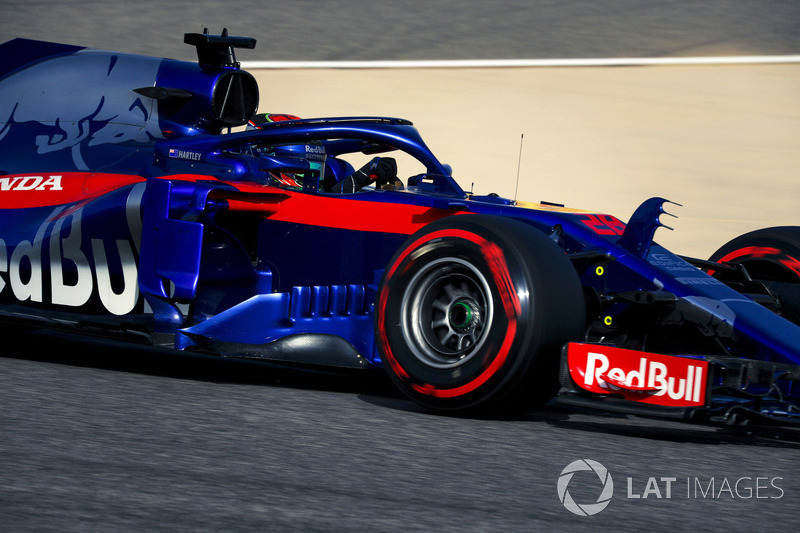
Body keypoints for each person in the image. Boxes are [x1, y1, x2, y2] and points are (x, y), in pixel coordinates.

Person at [247, 113, 401, 193]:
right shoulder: (259, 196)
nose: (313, 176)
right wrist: (359, 179)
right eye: (304, 169)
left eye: (317, 167)